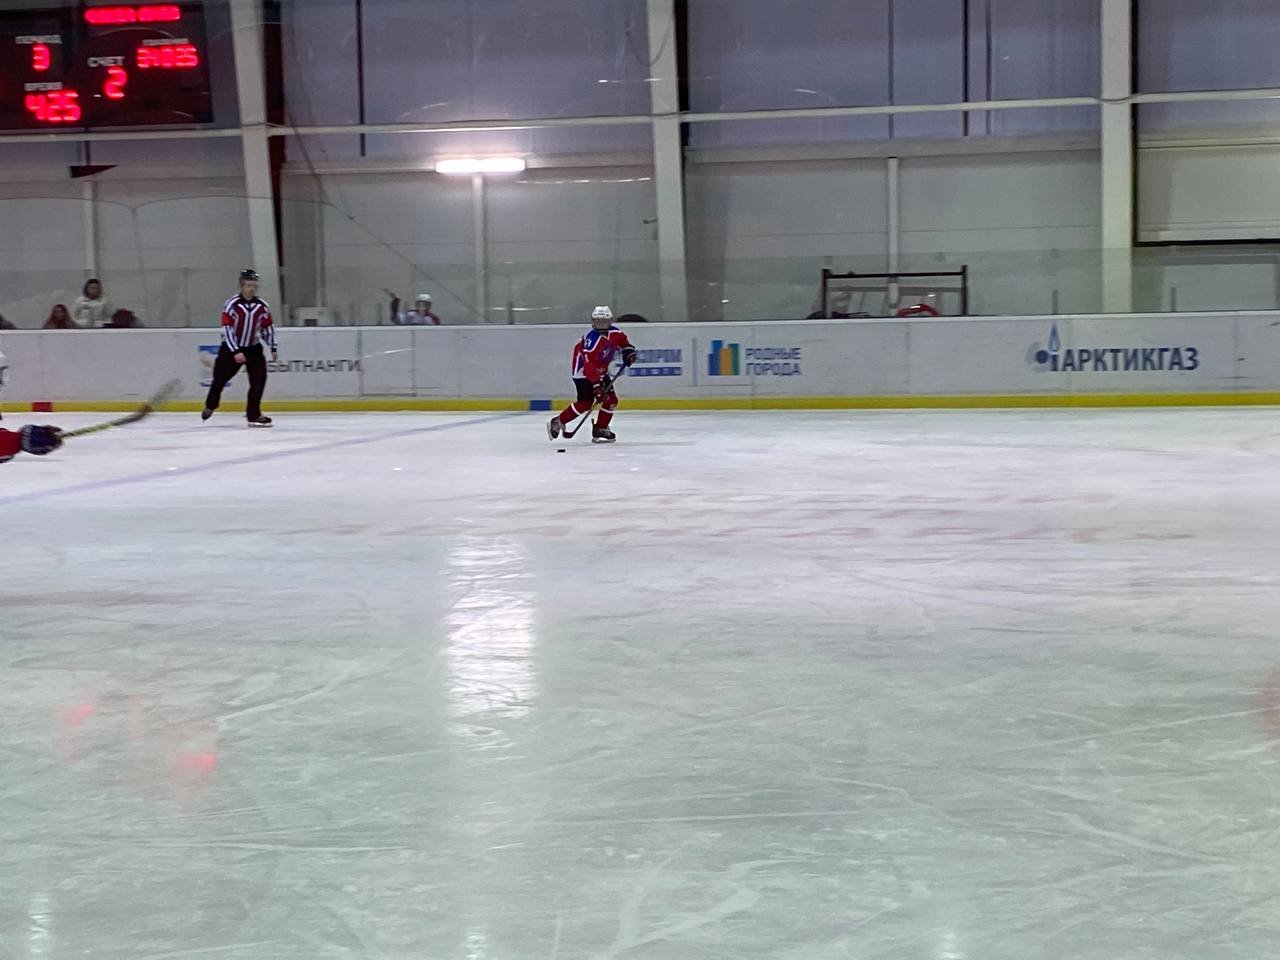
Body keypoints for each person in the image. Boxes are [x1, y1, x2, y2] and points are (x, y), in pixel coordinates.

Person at [546, 306, 636, 444]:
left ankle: (600, 428)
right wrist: (597, 387)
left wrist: (628, 351)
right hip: (583, 372)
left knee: (611, 400)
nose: (601, 325)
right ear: (593, 322)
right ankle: (558, 421)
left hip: (600, 370)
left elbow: (624, 342)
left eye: (604, 322)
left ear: (610, 321)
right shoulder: (592, 340)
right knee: (585, 403)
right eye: (598, 322)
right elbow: (589, 366)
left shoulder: (615, 333)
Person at [201, 269, 278, 427]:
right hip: (231, 348)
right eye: (249, 285)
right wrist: (236, 351)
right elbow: (227, 329)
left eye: (254, 286)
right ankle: (211, 405)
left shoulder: (262, 306)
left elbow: (267, 328)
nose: (251, 289)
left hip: (253, 348)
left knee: (259, 381)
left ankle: (253, 414)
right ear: (242, 286)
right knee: (220, 379)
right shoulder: (232, 305)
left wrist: (273, 346)